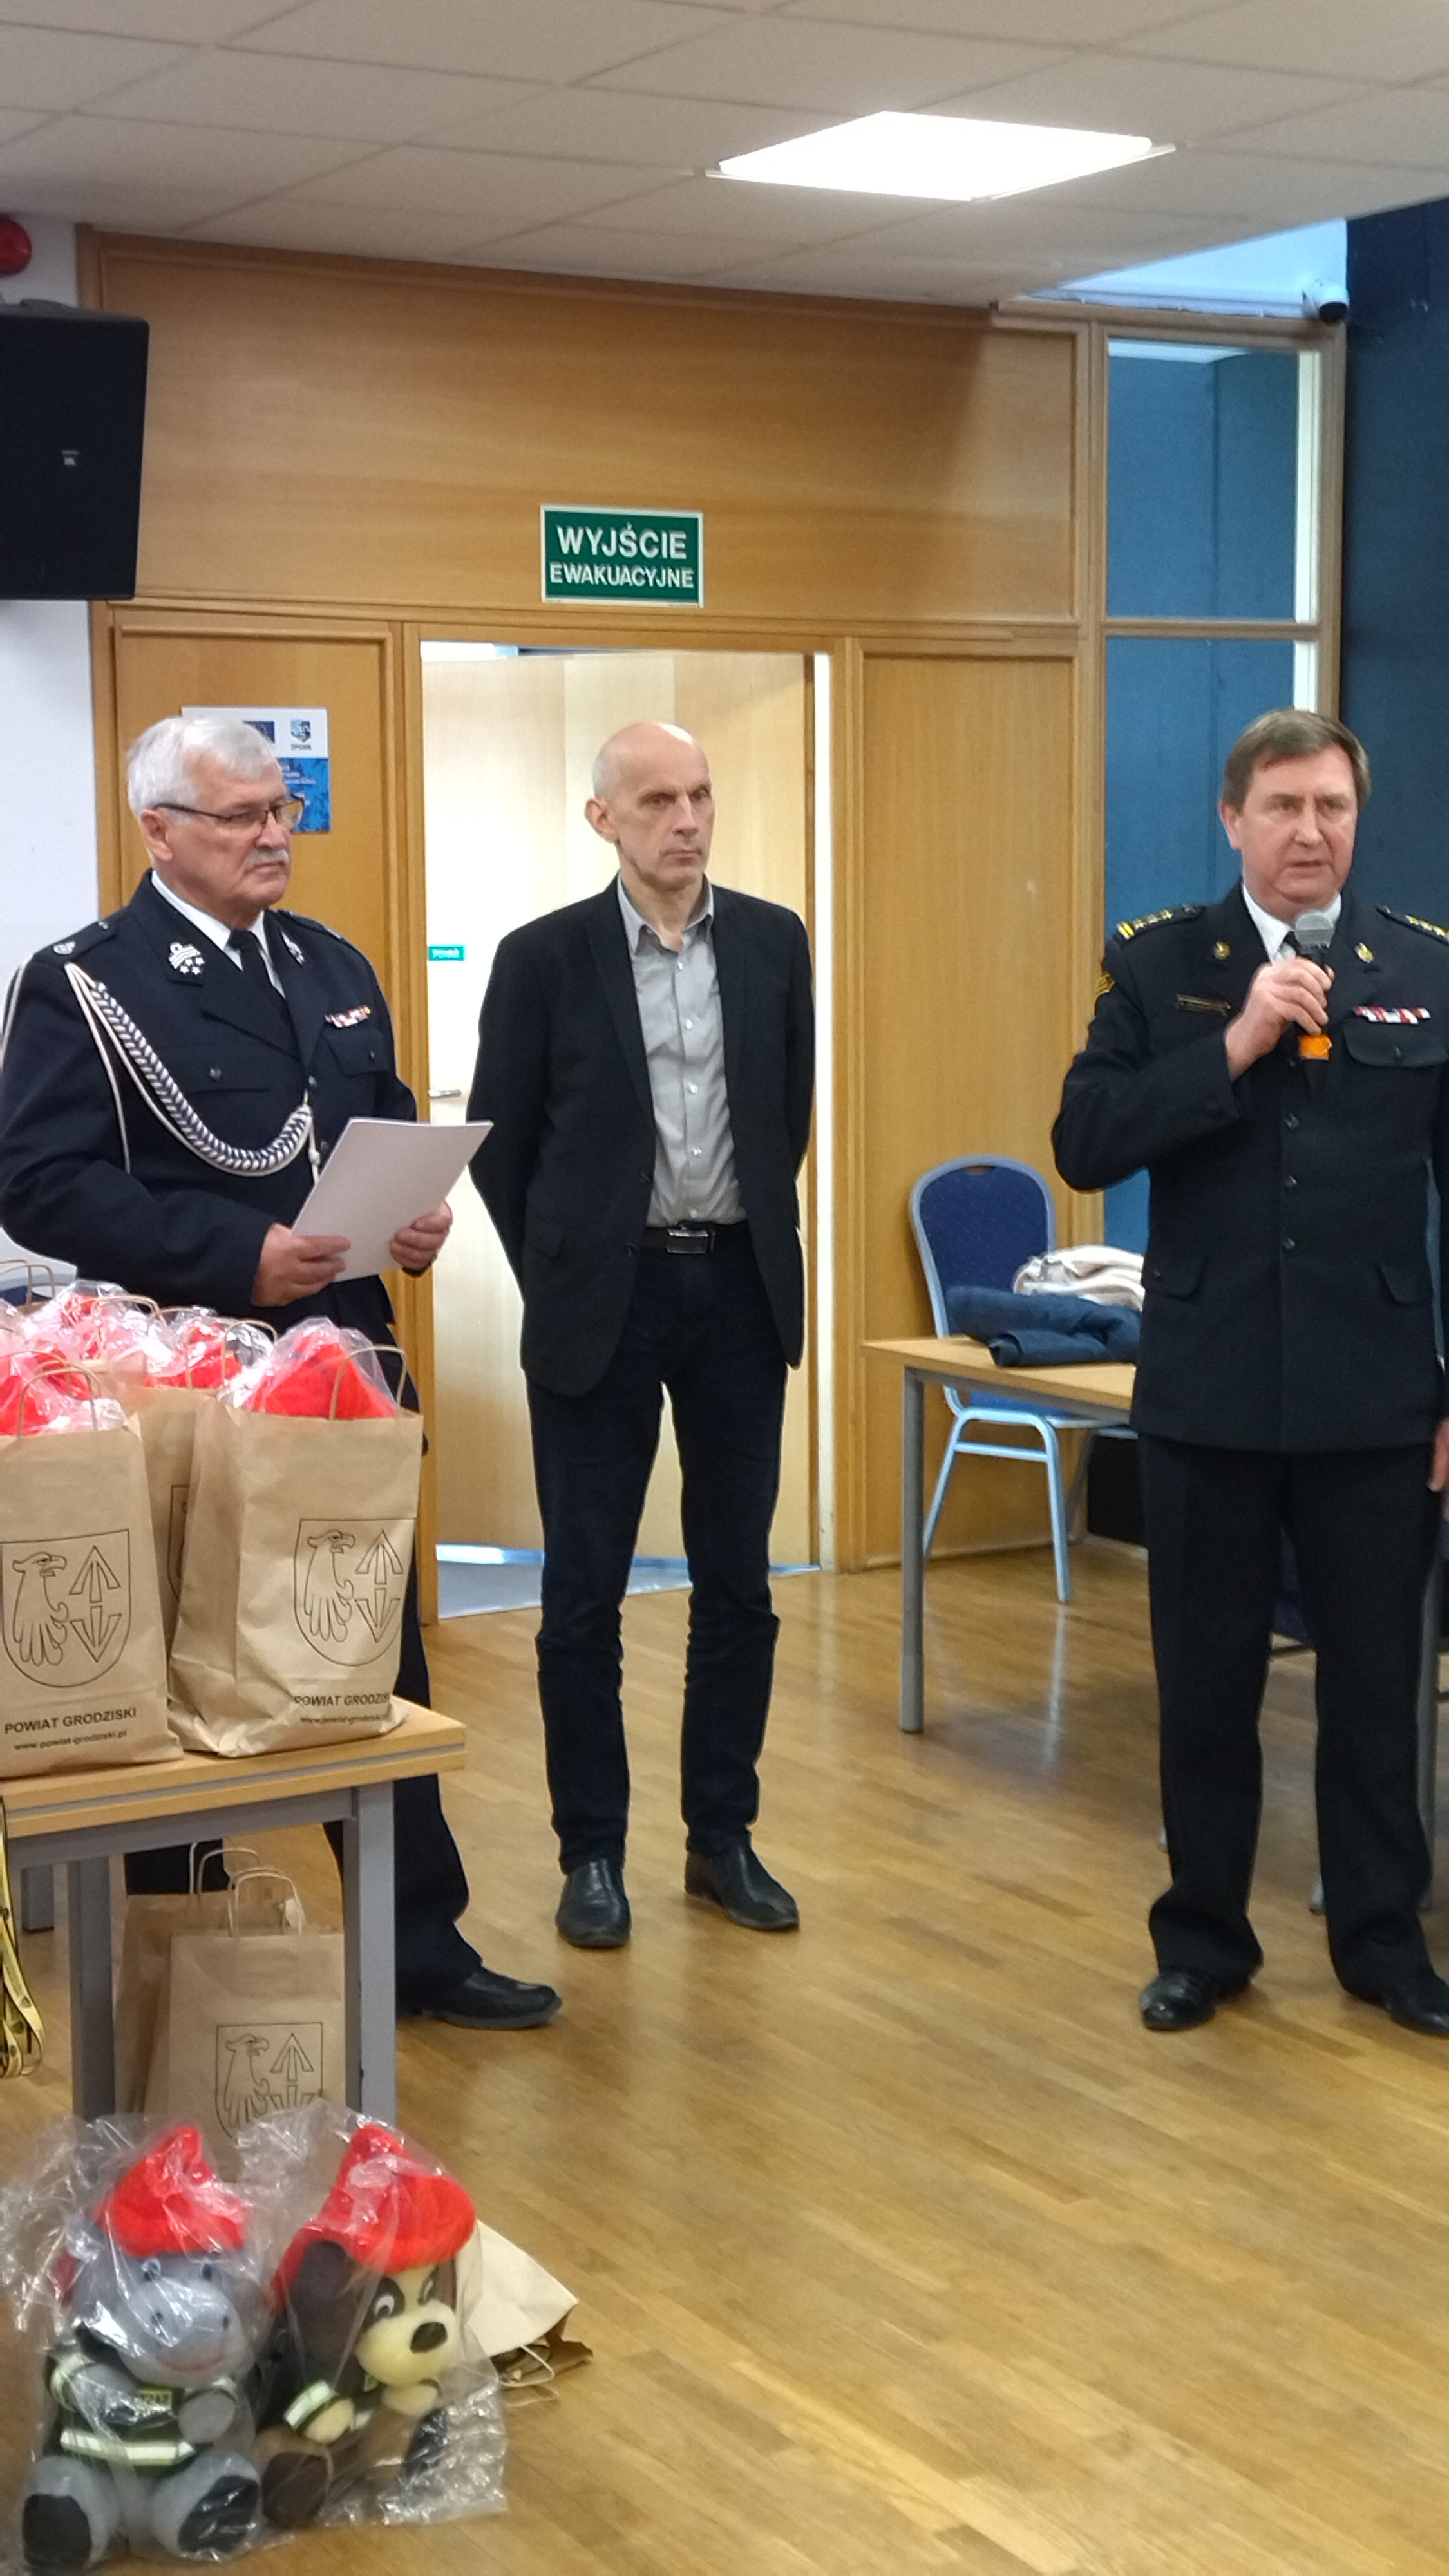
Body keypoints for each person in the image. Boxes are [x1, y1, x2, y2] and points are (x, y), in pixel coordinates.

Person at [0, 712, 560, 2033]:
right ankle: (192, 1959)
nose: (273, 836)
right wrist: (233, 1251)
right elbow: (36, 1182)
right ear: (160, 830)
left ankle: (418, 1943)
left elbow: (381, 1118)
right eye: (243, 815)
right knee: (187, 1680)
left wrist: (415, 1216)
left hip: (340, 1367)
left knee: (373, 1653)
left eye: (281, 810)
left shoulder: (329, 962)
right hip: (186, 1374)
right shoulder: (87, 980)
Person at [1054, 707, 1449, 2038]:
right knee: (1207, 1684)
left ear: (1357, 817)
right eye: (1283, 806)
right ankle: (1204, 1941)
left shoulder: (1423, 967)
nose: (1309, 831)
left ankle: (1384, 1945)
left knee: (1374, 1692)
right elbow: (1084, 1138)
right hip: (1210, 1389)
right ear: (1232, 819)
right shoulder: (1162, 963)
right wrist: (1230, 1044)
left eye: (1332, 806)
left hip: (1374, 1395)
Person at [468, 720, 813, 1948]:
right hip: (600, 1307)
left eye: (701, 795)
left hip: (738, 1293)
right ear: (603, 818)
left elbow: (784, 1118)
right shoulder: (543, 958)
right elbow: (501, 1145)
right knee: (583, 1598)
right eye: (658, 799)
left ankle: (722, 1839)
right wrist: (566, 1269)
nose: (687, 819)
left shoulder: (772, 942)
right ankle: (592, 1856)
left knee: (739, 1586)